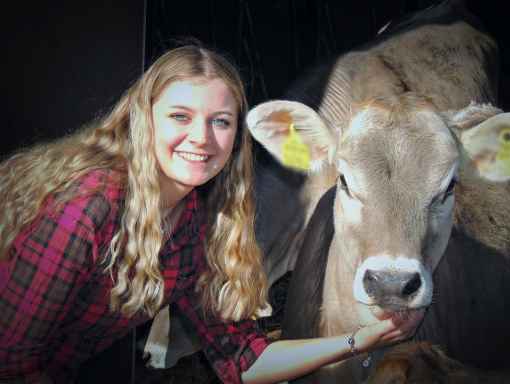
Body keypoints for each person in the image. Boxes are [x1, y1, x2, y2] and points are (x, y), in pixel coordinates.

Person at [0, 43, 413, 384]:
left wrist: (361, 339)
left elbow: (242, 360)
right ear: (144, 120)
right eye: (180, 117)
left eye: (220, 121)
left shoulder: (192, 227)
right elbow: (10, 361)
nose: (201, 137)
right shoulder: (87, 207)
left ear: (236, 136)